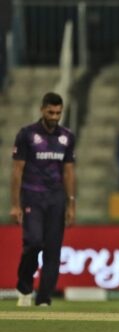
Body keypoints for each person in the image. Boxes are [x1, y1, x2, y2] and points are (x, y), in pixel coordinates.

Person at [10, 92, 76, 307]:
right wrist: (15, 204)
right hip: (32, 196)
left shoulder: (66, 137)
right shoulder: (27, 135)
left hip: (56, 199)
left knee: (53, 250)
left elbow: (68, 172)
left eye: (58, 112)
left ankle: (44, 299)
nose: (55, 116)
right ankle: (25, 287)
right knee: (33, 243)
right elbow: (17, 171)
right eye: (51, 112)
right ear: (42, 110)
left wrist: (71, 203)